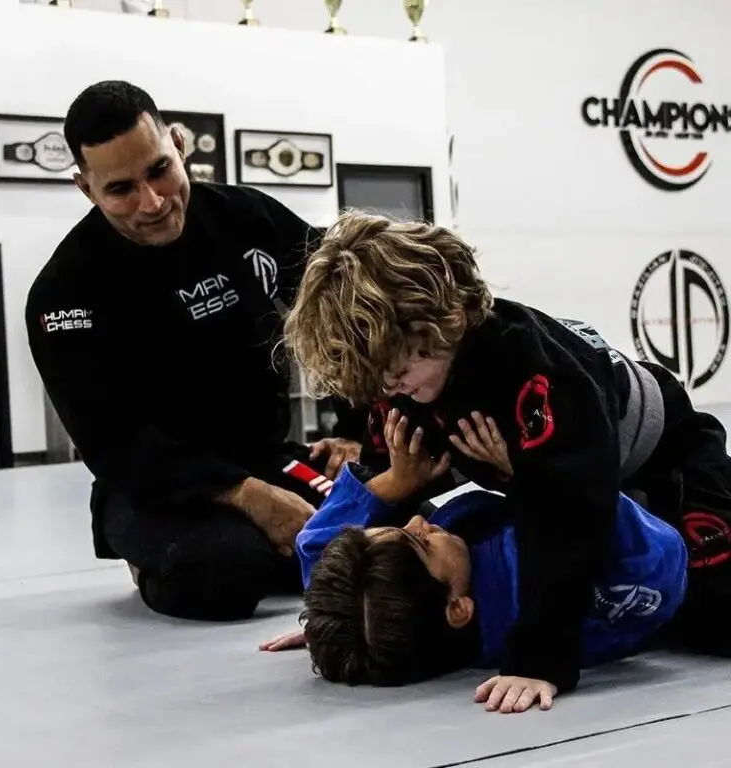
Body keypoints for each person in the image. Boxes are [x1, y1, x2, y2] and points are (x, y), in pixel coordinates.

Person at [277, 208, 731, 711]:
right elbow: (355, 545)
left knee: (713, 607)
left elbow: (576, 511)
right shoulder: (398, 382)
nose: (393, 388)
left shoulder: (528, 373)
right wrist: (348, 619)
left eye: (400, 371)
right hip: (575, 483)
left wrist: (539, 659)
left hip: (666, 452)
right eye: (381, 381)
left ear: (441, 323)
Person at [25, 80, 364, 621]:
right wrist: (247, 496)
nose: (152, 202)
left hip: (264, 456)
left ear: (179, 146)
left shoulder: (247, 218)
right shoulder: (65, 293)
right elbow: (115, 445)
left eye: (159, 170)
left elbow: (346, 309)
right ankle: (151, 558)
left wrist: (355, 429)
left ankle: (280, 541)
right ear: (86, 188)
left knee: (392, 521)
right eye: (121, 189)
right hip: (153, 488)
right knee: (224, 573)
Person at [263, 409, 688, 713]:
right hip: (653, 486)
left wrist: (337, 622)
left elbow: (317, 546)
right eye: (420, 541)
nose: (417, 521)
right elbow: (663, 563)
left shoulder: (418, 599)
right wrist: (539, 474)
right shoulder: (541, 595)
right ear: (458, 608)